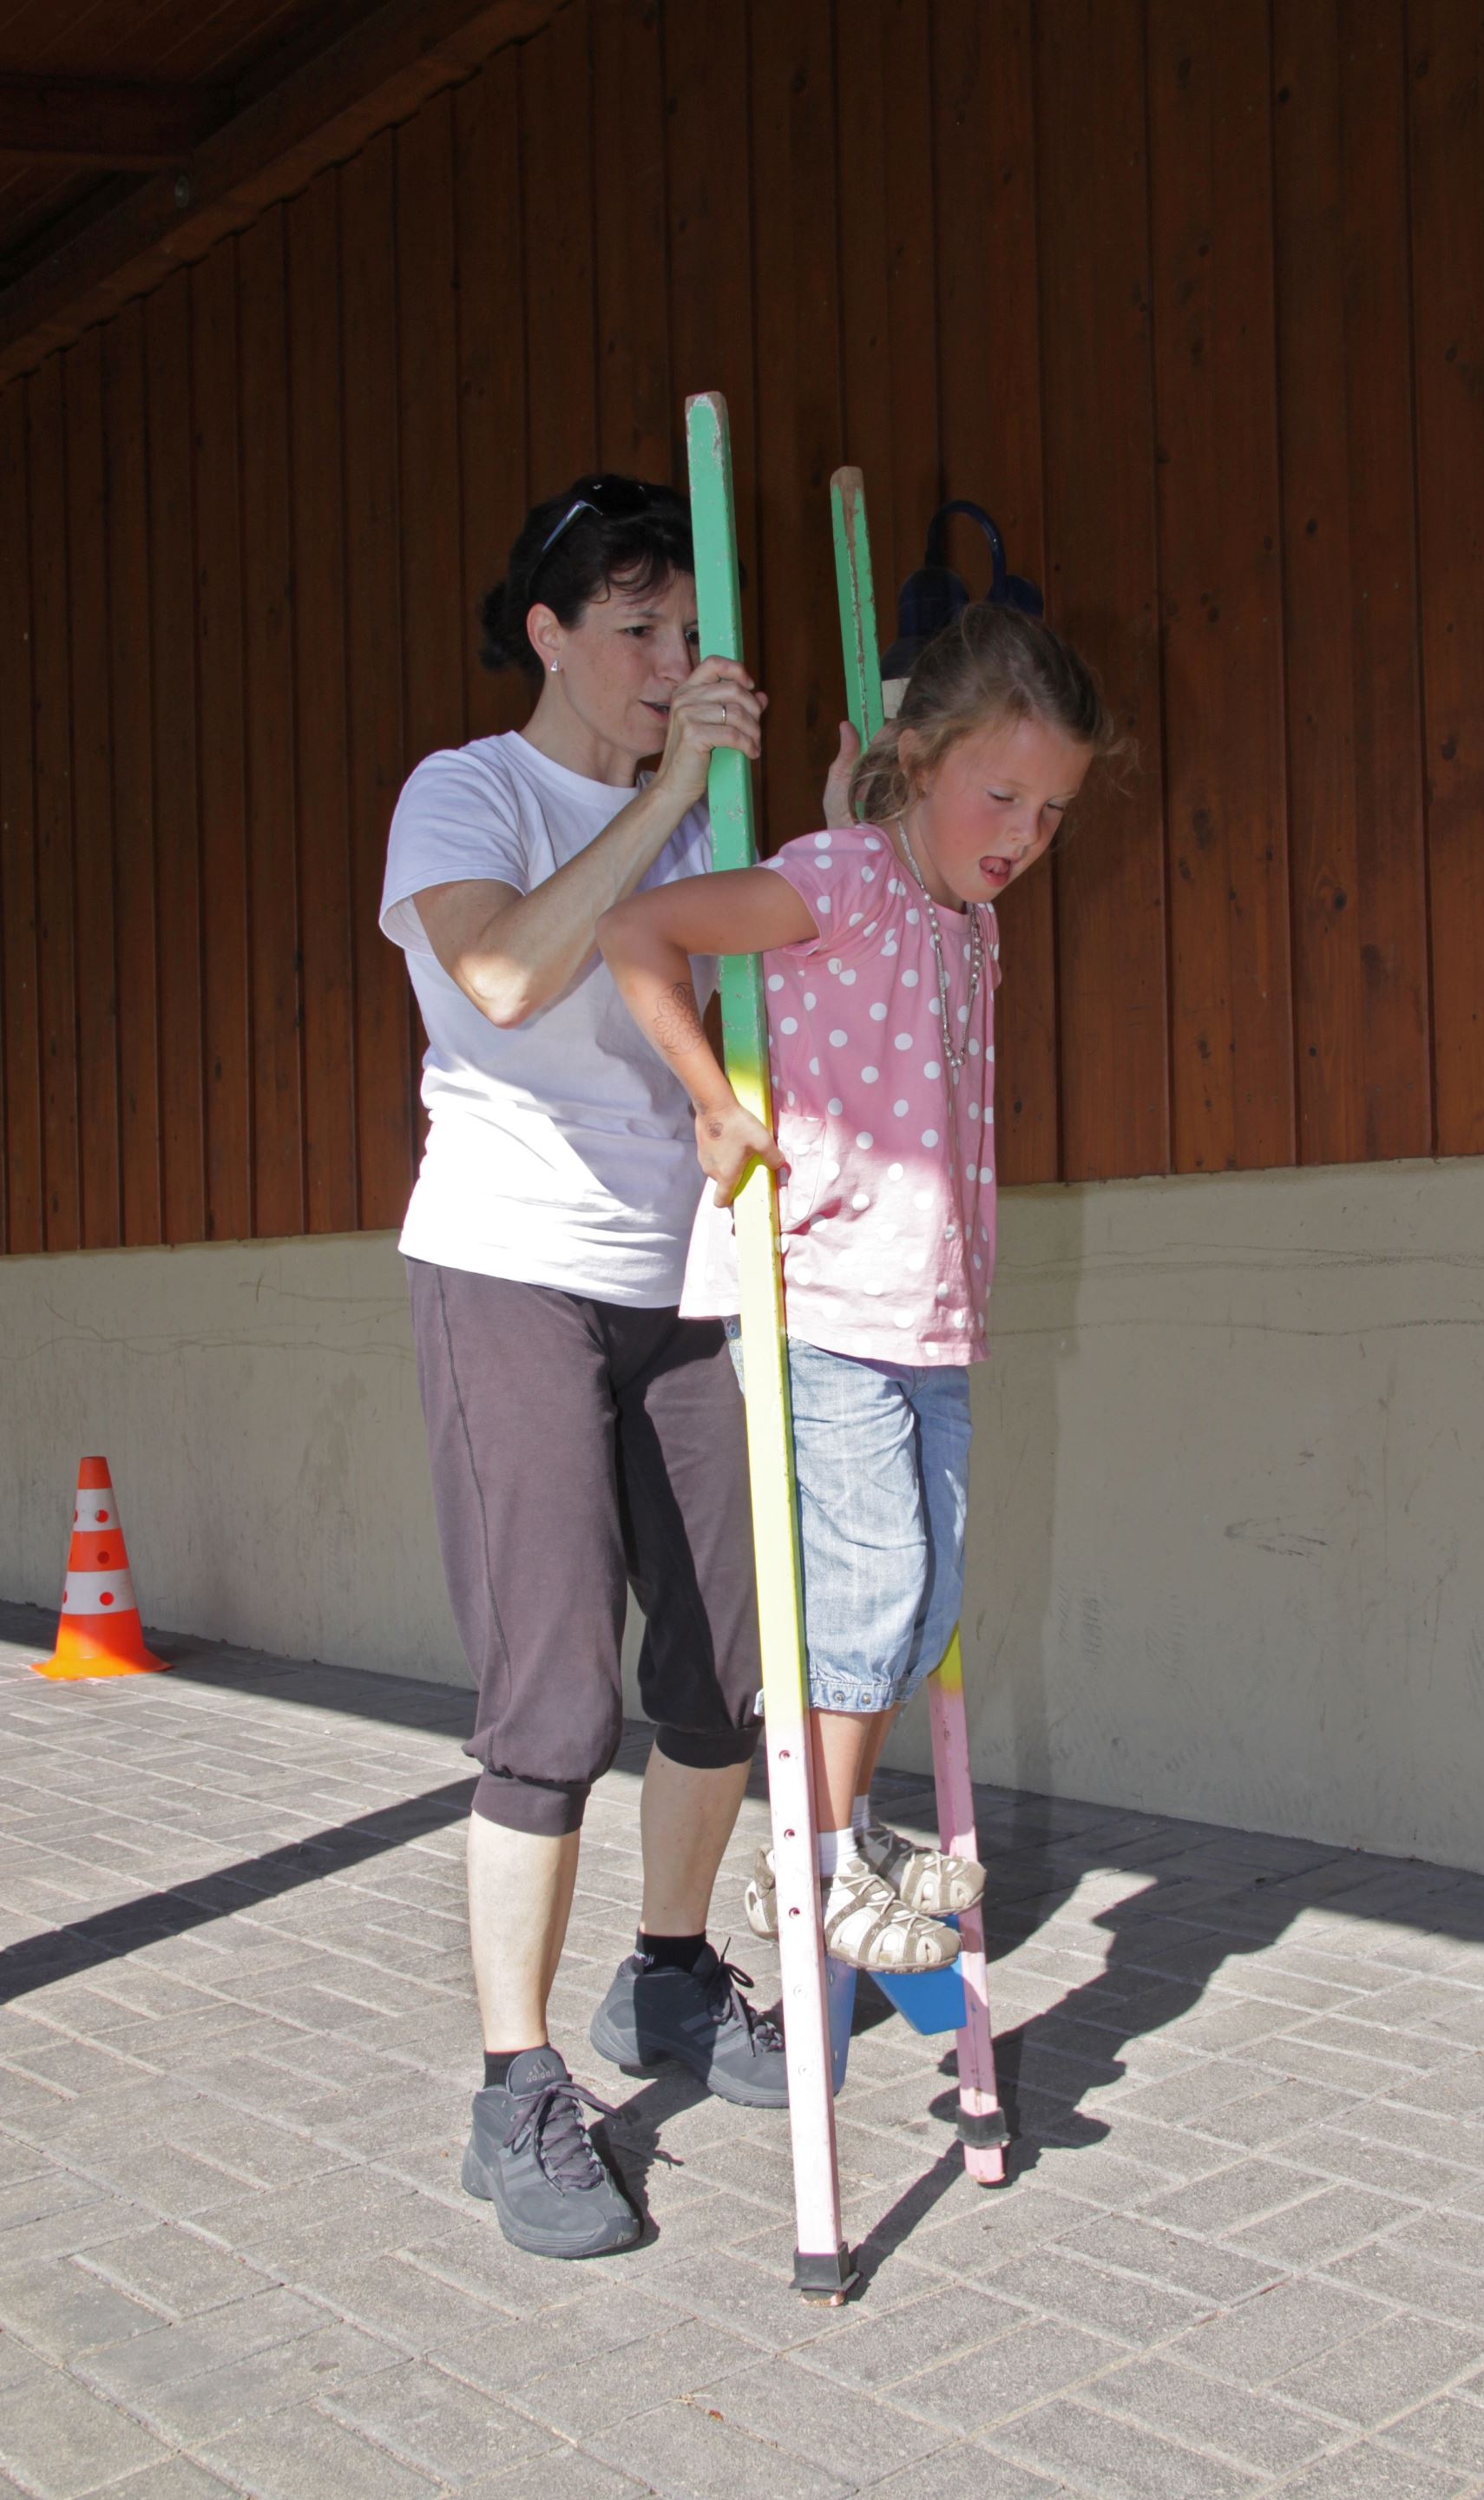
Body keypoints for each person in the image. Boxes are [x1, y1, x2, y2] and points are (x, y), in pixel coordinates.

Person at [380, 474, 853, 2263]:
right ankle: (513, 2084)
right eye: (637, 627)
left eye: (689, 631)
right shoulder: (468, 792)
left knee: (729, 1662)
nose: (671, 660)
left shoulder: (703, 808)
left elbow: (758, 1001)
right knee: (554, 1693)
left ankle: (666, 1973)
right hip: (511, 1265)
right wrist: (664, 800)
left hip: (686, 1271)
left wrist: (820, 848)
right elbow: (502, 978)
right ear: (549, 632)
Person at [599, 603, 1120, 1977]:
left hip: (927, 1314)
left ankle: (841, 1834)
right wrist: (712, 1101)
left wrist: (867, 814)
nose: (1023, 833)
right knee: (876, 1585)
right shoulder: (845, 877)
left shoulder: (962, 915)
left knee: (923, 1602)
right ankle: (810, 1863)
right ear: (924, 759)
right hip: (822, 1298)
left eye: (1052, 811)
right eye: (1000, 794)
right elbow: (638, 929)